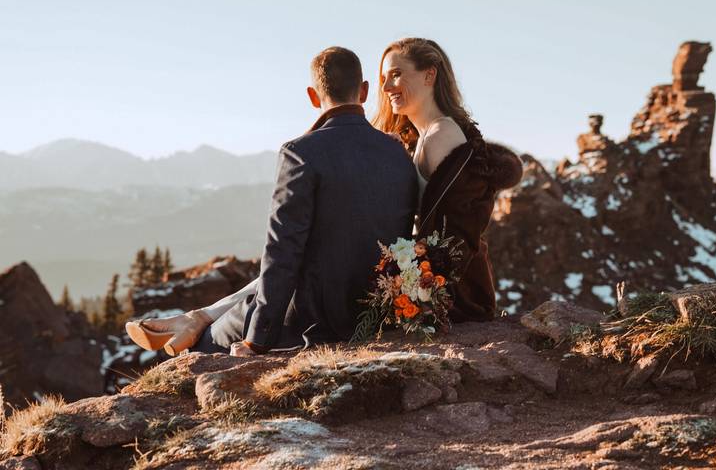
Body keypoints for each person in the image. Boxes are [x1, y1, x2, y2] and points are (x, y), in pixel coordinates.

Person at [125, 47, 417, 355]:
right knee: (234, 311)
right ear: (365, 90)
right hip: (378, 313)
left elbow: (283, 250)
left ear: (313, 96)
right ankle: (194, 319)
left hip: (313, 320)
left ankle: (194, 325)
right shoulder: (398, 154)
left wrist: (257, 339)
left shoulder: (301, 153)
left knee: (206, 344)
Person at [373, 37, 522, 322]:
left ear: (430, 74)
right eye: (383, 78)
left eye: (396, 74)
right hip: (430, 281)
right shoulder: (424, 137)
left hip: (455, 294)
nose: (386, 87)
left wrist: (426, 295)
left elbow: (459, 229)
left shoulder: (442, 135)